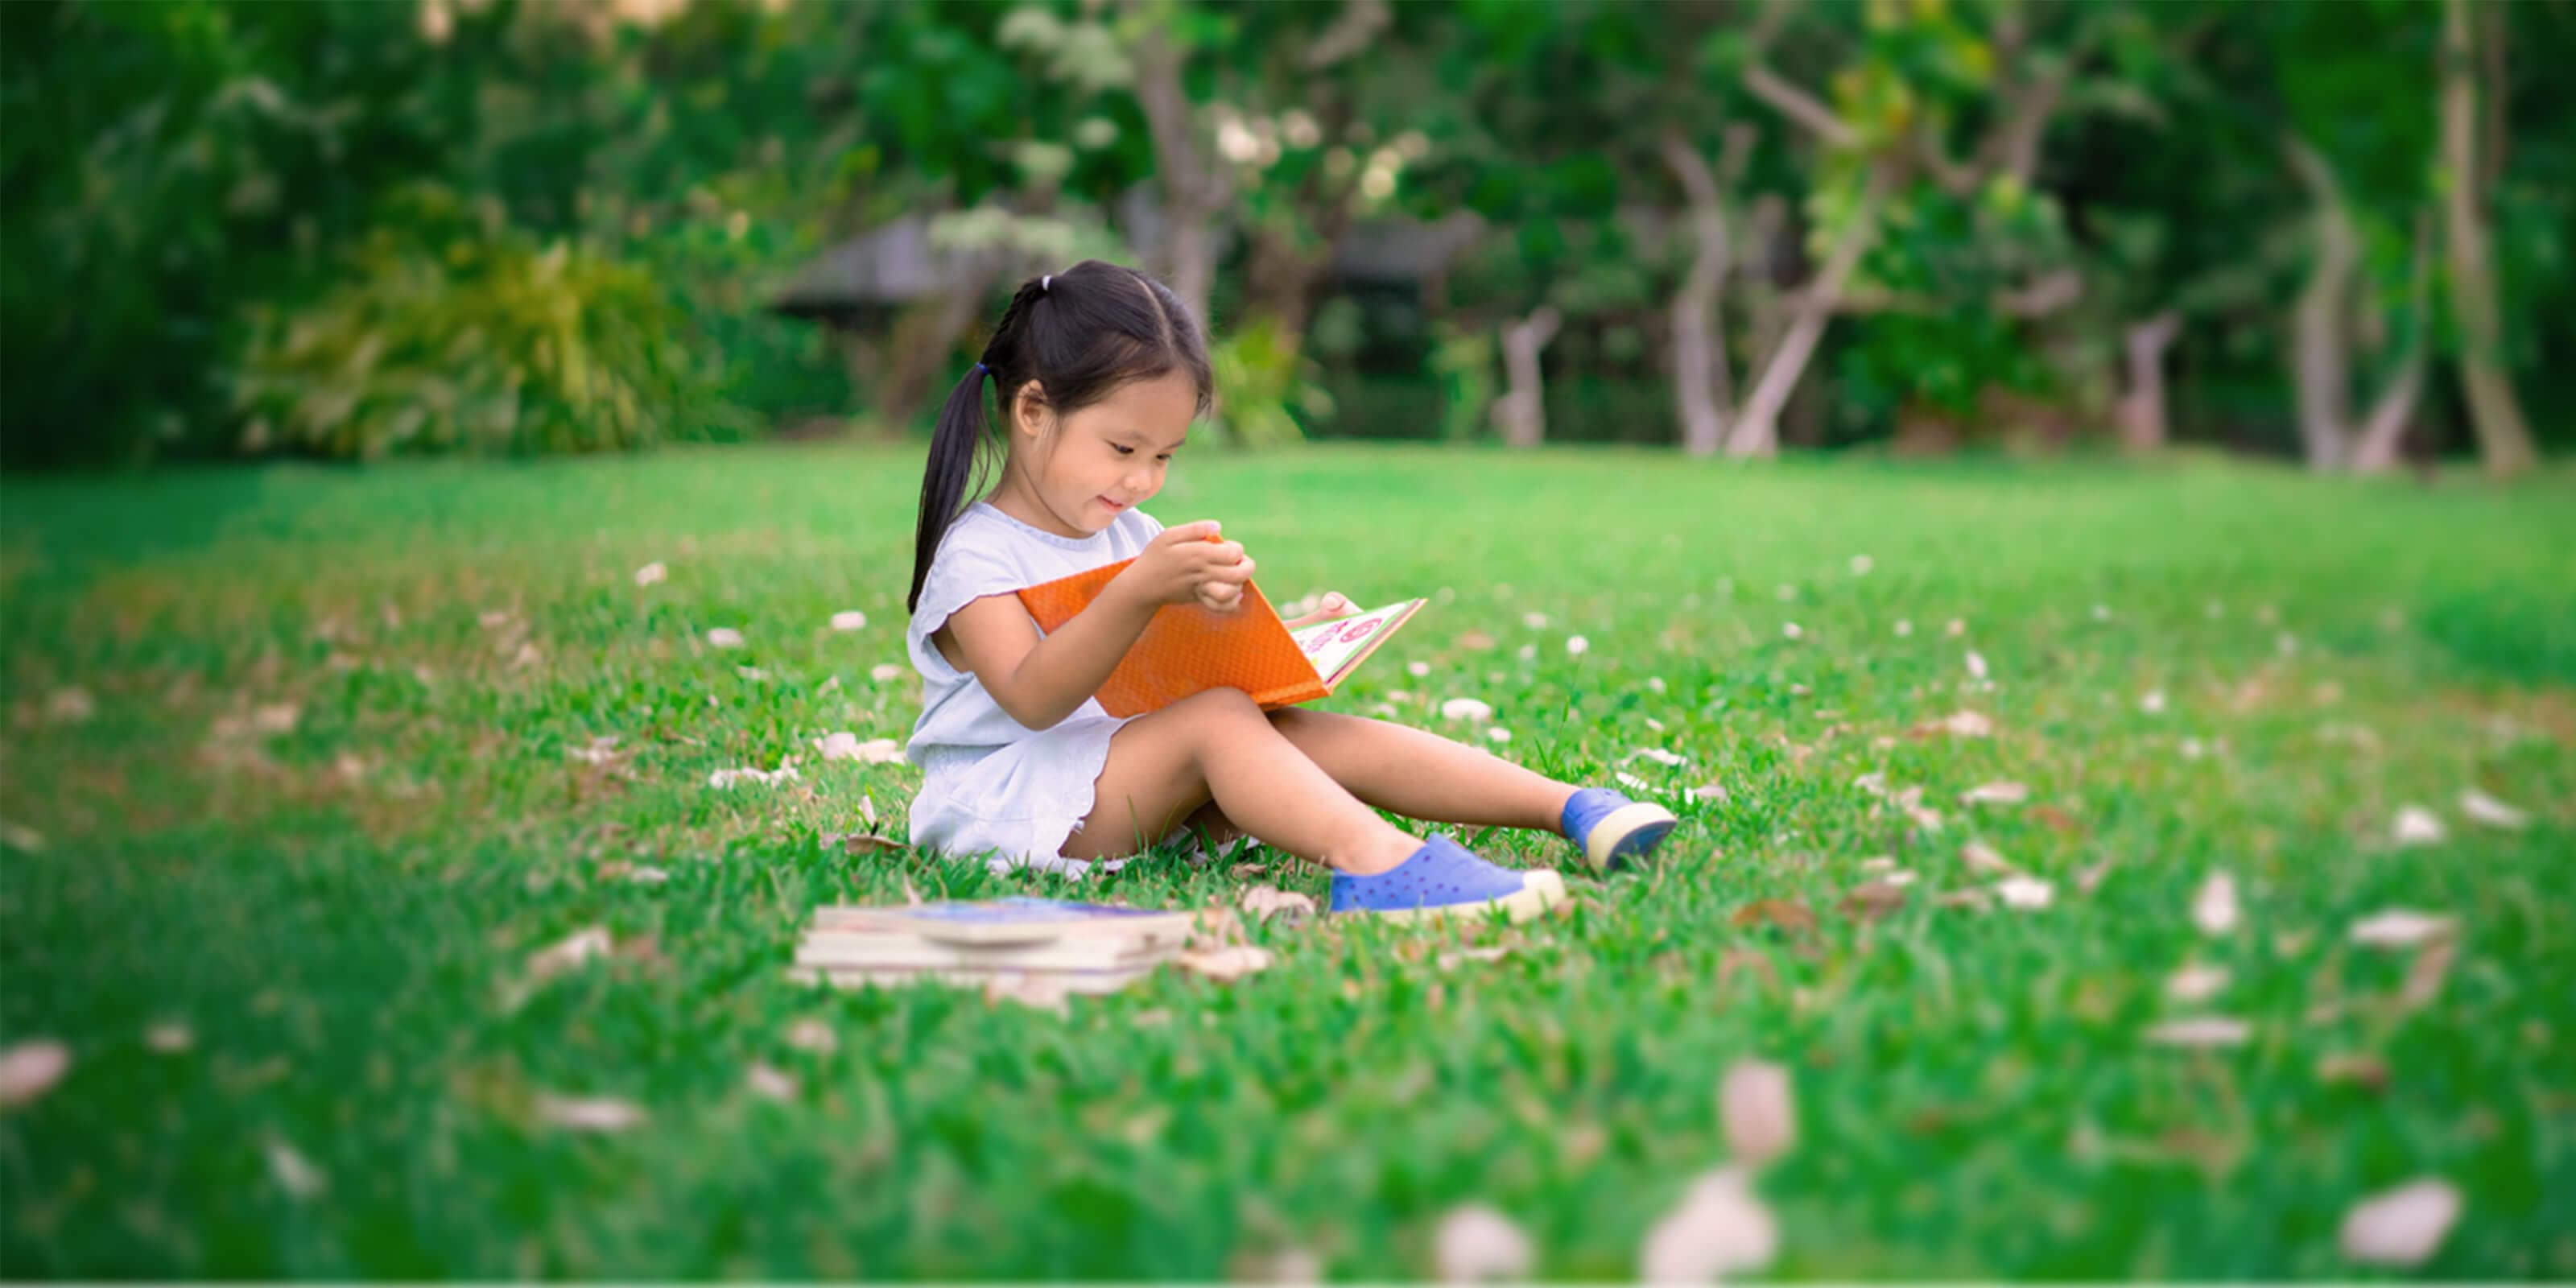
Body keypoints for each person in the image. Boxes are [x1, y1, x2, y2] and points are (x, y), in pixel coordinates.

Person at [901, 260, 1678, 921]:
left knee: (1284, 725)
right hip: (1009, 806)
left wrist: (1288, 639)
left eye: (1164, 456)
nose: (1141, 480)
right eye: (1123, 448)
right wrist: (1138, 592)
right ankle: (1382, 867)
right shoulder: (979, 556)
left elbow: (1174, 670)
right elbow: (1033, 698)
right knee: (1218, 721)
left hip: (1119, 779)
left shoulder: (1130, 534)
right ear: (1033, 411)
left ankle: (1570, 807)